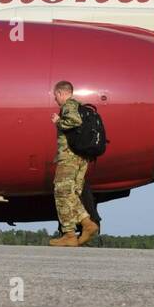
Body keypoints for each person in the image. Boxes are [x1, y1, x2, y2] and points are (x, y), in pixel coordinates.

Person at [51, 80, 101, 246]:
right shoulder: (79, 106)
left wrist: (58, 121)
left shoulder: (69, 106)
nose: (55, 100)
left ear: (61, 93)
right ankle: (83, 227)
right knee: (72, 192)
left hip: (69, 157)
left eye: (55, 96)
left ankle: (72, 232)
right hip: (81, 157)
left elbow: (74, 121)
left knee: (62, 191)